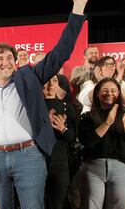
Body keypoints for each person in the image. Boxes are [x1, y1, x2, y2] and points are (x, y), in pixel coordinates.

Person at [0, 0, 93, 208]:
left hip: (28, 156)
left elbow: (61, 51)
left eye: (10, 58)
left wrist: (78, 8)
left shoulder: (29, 76)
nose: (6, 62)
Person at [78, 78, 125, 209]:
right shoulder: (88, 117)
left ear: (119, 94)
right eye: (105, 90)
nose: (109, 94)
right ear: (97, 93)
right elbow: (88, 141)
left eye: (113, 90)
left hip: (121, 167)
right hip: (93, 167)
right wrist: (107, 122)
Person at [43, 76, 76, 209]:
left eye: (54, 80)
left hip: (60, 163)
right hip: (37, 162)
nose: (51, 84)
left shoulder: (67, 108)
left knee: (58, 204)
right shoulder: (33, 107)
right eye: (47, 80)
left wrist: (62, 129)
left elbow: (72, 138)